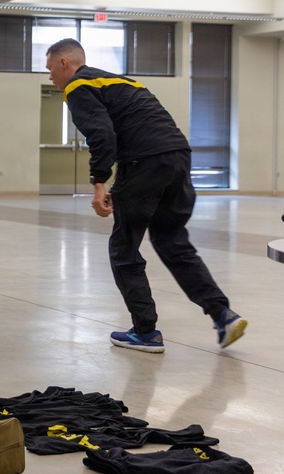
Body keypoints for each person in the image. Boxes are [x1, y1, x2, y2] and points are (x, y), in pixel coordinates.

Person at [45, 37, 247, 353]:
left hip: (144, 162)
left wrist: (99, 183)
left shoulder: (78, 85)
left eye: (49, 69)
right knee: (172, 242)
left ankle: (145, 332)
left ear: (64, 63)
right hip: (178, 157)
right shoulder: (121, 81)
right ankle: (222, 314)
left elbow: (102, 135)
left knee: (124, 249)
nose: (50, 78)